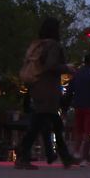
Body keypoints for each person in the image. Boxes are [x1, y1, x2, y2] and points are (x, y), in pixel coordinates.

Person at [15, 18, 76, 170]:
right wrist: (67, 67)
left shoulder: (38, 45)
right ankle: (22, 154)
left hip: (37, 86)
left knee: (54, 123)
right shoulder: (53, 45)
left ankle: (64, 156)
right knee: (40, 123)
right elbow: (51, 65)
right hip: (47, 88)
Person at [65, 54, 90, 165]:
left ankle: (76, 152)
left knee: (78, 130)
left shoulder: (77, 74)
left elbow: (69, 91)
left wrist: (66, 106)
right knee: (88, 132)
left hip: (78, 105)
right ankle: (84, 157)